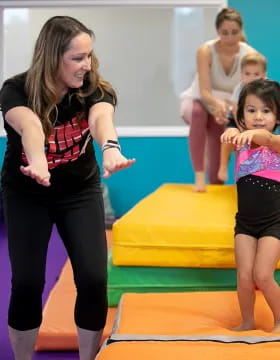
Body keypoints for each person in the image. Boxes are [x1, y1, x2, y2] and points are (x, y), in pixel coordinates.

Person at [0, 16, 135, 360]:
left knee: (92, 278)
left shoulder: (94, 89)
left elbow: (101, 118)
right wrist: (38, 160)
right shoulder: (16, 89)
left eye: (89, 56)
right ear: (52, 57)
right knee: (28, 282)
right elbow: (29, 124)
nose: (86, 65)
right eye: (77, 58)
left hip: (78, 190)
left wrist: (111, 148)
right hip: (28, 192)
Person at [220, 79, 280, 333]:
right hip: (245, 224)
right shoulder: (242, 143)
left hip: (274, 224)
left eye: (266, 111)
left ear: (278, 115)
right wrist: (231, 133)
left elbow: (267, 138)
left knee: (262, 275)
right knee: (244, 277)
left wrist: (250, 134)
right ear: (241, 115)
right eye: (251, 110)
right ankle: (247, 321)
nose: (258, 116)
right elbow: (231, 135)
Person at [180, 7, 257, 192]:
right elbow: (205, 91)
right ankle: (199, 176)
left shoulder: (249, 55)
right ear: (217, 32)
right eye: (224, 33)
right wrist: (217, 106)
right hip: (201, 98)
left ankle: (217, 180)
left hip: (231, 103)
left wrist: (231, 111)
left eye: (234, 33)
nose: (230, 38)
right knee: (199, 114)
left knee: (219, 141)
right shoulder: (206, 51)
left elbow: (251, 90)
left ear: (241, 31)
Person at [217, 52, 268, 182]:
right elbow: (235, 109)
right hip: (237, 118)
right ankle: (223, 166)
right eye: (247, 74)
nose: (251, 78)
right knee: (229, 138)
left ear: (264, 75)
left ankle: (250, 174)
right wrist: (242, 128)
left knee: (253, 147)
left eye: (256, 74)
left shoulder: (267, 88)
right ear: (241, 74)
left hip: (257, 120)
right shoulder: (240, 88)